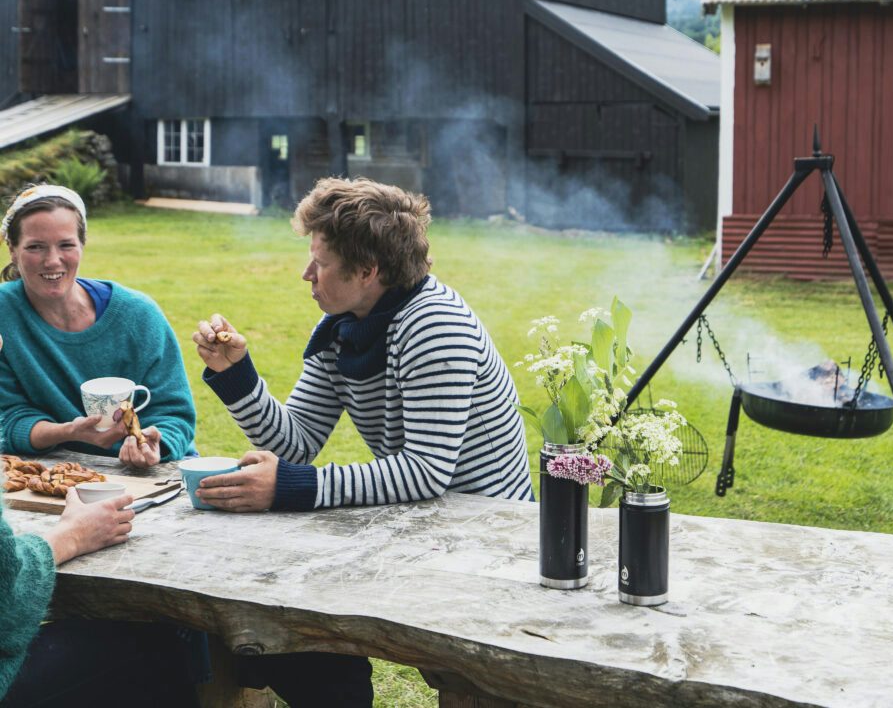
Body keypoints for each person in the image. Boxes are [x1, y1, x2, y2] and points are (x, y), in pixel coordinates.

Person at [192, 176, 533, 707]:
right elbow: (297, 442)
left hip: (486, 541)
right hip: (424, 523)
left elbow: (424, 471)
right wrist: (236, 373)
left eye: (320, 263)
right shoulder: (345, 324)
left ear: (368, 271)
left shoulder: (433, 324)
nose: (306, 274)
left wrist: (290, 488)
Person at [0, 331, 200, 708]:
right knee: (156, 641)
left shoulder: (136, 317)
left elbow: (175, 414)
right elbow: (6, 601)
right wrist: (72, 536)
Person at [0, 185, 196, 466]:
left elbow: (174, 412)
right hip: (54, 472)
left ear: (82, 244)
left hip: (155, 473)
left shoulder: (139, 315)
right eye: (35, 247)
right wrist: (68, 432)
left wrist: (154, 444)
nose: (52, 260)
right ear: (12, 249)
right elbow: (6, 417)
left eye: (66, 244)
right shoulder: (4, 315)